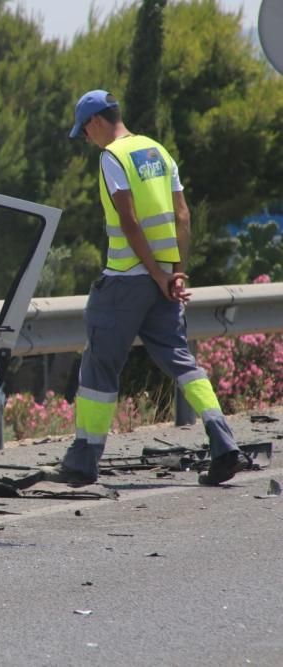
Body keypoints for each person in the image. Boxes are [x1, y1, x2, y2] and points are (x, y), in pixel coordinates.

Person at [41, 90, 247, 487]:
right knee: (181, 361)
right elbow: (183, 215)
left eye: (84, 131)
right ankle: (224, 444)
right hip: (164, 282)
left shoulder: (112, 157)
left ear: (97, 122)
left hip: (125, 281)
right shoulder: (158, 151)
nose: (86, 139)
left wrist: (154, 273)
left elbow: (129, 221)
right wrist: (176, 272)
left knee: (100, 364)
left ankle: (84, 460)